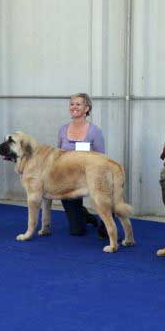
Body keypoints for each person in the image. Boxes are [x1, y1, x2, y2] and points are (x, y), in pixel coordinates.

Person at [57, 93, 108, 238]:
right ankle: (85, 215)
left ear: (87, 108)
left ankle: (106, 221)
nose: (74, 107)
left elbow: (101, 157)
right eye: (72, 104)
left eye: (78, 104)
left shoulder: (95, 131)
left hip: (89, 176)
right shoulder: (62, 130)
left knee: (104, 200)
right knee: (77, 231)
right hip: (67, 179)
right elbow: (58, 155)